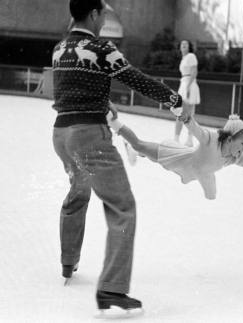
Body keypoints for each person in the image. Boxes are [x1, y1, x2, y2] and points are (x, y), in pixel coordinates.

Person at [51, 0, 192, 315]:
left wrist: (102, 103)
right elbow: (136, 79)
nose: (105, 20)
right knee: (122, 207)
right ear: (95, 14)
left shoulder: (59, 48)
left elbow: (67, 90)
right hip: (90, 137)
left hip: (62, 134)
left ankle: (68, 261)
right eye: (103, 15)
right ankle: (112, 288)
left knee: (79, 191)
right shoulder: (100, 48)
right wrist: (174, 98)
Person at [108, 112, 243, 200]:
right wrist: (187, 120)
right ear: (230, 139)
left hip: (199, 172)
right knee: (141, 145)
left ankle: (136, 151)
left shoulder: (235, 157)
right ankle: (113, 122)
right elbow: (196, 130)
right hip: (177, 157)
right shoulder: (211, 139)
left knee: (211, 196)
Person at [174, 40, 201, 147]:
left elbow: (194, 72)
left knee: (185, 113)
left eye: (185, 44)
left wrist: (189, 87)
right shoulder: (184, 58)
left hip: (189, 84)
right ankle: (183, 139)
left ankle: (183, 139)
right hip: (184, 83)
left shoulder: (191, 56)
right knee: (185, 113)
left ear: (189, 47)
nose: (183, 45)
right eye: (181, 44)